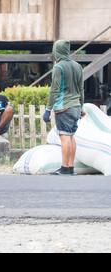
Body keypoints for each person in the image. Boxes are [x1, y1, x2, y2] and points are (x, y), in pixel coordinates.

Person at [42, 40, 85, 176]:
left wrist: (48, 110)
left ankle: (64, 167)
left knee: (64, 136)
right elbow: (81, 89)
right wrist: (81, 107)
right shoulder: (78, 66)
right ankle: (70, 167)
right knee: (71, 136)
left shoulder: (58, 67)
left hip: (64, 107)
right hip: (76, 106)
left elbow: (54, 90)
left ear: (57, 51)